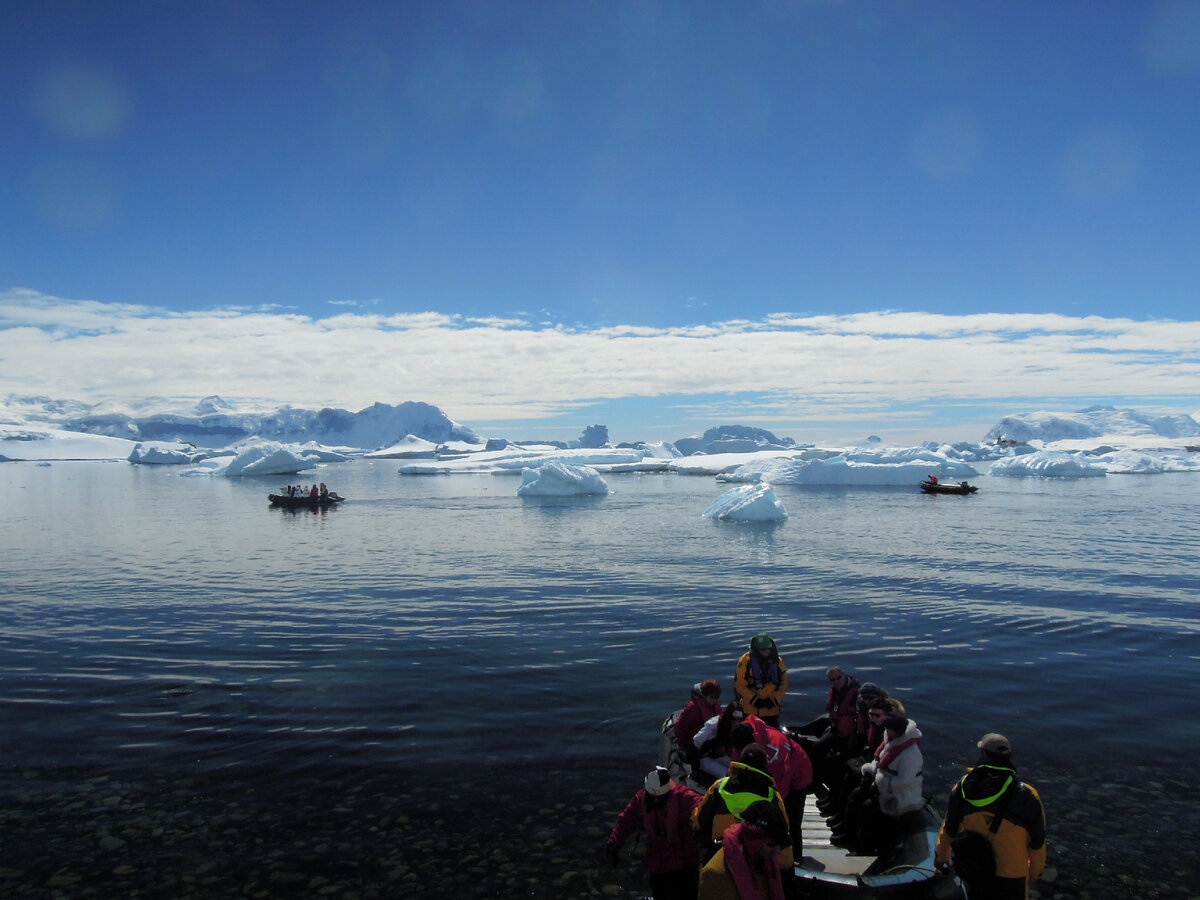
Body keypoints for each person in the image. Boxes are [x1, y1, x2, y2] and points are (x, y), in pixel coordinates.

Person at [935, 734, 1047, 900]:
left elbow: (950, 828)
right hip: (1012, 874)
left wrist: (942, 858)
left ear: (984, 754)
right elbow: (1037, 841)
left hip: (974, 869)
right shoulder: (1028, 795)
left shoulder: (964, 787)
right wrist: (1035, 873)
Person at [606, 766, 704, 900]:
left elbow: (702, 809)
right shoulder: (642, 798)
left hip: (685, 862)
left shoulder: (684, 797)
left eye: (658, 797)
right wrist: (614, 844)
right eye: (651, 796)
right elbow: (627, 819)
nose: (654, 800)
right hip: (658, 863)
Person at [693, 744, 793, 870]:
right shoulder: (772, 795)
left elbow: (699, 821)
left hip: (721, 857)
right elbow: (784, 829)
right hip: (759, 861)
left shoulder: (720, 786)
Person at [729, 715, 812, 851]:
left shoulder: (774, 755)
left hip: (798, 775)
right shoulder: (742, 737)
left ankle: (794, 858)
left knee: (789, 822)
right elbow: (735, 767)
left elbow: (780, 791)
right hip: (775, 770)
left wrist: (769, 813)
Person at [697, 799, 792, 900]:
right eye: (771, 844)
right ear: (754, 842)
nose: (778, 850)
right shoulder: (715, 874)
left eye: (781, 845)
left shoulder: (764, 862)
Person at [810, 666, 861, 799]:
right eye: (832, 680)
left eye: (839, 678)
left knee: (838, 761)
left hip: (852, 735)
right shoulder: (835, 692)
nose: (836, 681)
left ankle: (835, 797)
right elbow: (834, 709)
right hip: (836, 730)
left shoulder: (857, 693)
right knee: (817, 747)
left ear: (844, 676)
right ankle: (815, 783)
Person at [735, 634, 788, 728]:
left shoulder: (778, 661)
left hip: (772, 709)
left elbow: (784, 683)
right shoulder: (745, 661)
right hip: (751, 710)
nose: (767, 651)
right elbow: (740, 684)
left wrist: (775, 700)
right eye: (763, 649)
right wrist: (754, 699)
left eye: (768, 648)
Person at [676, 680, 723, 773]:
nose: (714, 700)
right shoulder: (693, 708)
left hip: (711, 740)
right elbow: (680, 727)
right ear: (705, 695)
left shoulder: (716, 705)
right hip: (696, 742)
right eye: (711, 697)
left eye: (716, 697)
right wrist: (683, 745)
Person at [692, 700, 746, 782]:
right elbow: (695, 743)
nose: (735, 722)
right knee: (727, 775)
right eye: (733, 719)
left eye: (738, 719)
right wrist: (695, 767)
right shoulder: (713, 725)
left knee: (740, 771)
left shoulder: (739, 728)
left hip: (722, 755)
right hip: (706, 758)